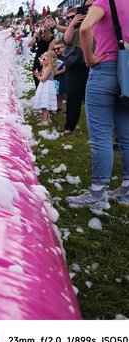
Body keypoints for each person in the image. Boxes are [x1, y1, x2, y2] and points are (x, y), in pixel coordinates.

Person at [66, 0, 129, 208]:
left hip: (104, 69)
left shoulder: (104, 2)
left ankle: (97, 193)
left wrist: (89, 58)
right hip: (126, 72)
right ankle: (126, 189)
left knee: (101, 134)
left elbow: (84, 28)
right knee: (126, 134)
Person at [62, 3, 93, 136]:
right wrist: (72, 24)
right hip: (76, 63)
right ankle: (69, 126)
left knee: (93, 98)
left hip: (93, 62)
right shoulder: (73, 27)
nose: (69, 19)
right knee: (73, 96)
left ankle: (98, 127)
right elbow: (66, 40)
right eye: (67, 18)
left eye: (72, 17)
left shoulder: (93, 22)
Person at [33, 51, 58, 125]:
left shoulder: (49, 67)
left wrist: (37, 76)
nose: (42, 61)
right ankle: (48, 119)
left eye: (44, 59)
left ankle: (44, 121)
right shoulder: (46, 66)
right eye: (42, 59)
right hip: (45, 85)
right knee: (45, 102)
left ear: (50, 59)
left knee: (45, 105)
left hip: (46, 86)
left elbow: (43, 79)